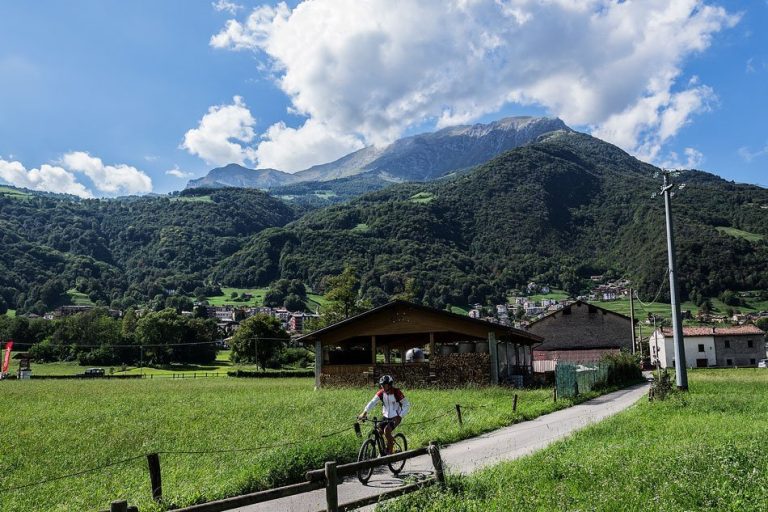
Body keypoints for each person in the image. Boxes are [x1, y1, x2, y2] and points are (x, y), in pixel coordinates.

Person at [358, 375, 410, 455]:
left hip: (396, 417)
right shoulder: (381, 393)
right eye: (381, 385)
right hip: (385, 416)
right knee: (378, 431)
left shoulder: (397, 392)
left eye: (384, 384)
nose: (382, 386)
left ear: (389, 384)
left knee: (387, 430)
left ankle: (390, 450)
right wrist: (364, 412)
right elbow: (372, 402)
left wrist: (400, 415)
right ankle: (384, 447)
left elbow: (406, 404)